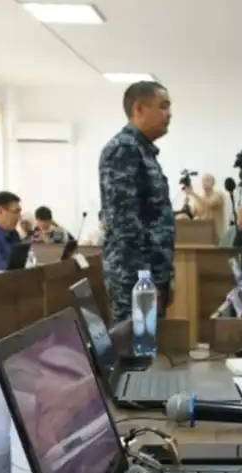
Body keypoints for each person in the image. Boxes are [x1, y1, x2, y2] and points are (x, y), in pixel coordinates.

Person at [99, 80, 176, 322]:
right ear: (139, 109)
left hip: (150, 275)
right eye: (163, 106)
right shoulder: (124, 149)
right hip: (134, 278)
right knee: (134, 353)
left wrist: (164, 275)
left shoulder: (143, 151)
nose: (169, 114)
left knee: (147, 351)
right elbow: (124, 224)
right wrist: (145, 280)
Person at [186, 173, 228, 237]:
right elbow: (193, 214)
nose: (204, 182)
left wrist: (193, 194)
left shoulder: (219, 195)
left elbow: (210, 203)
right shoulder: (199, 197)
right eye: (203, 181)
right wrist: (186, 205)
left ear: (213, 183)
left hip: (216, 235)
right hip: (202, 234)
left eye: (207, 180)